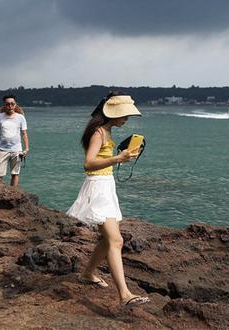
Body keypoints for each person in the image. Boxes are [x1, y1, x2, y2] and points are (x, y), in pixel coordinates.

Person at [67, 92, 150, 309]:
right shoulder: (98, 132)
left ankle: (87, 273)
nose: (126, 119)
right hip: (97, 187)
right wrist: (118, 158)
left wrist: (122, 156)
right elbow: (88, 163)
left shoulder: (107, 131)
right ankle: (124, 295)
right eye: (123, 115)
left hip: (106, 186)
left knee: (107, 240)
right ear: (111, 114)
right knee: (116, 241)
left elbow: (102, 161)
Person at [0, 95, 29, 187]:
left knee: (15, 173)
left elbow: (24, 134)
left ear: (15, 105)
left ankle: (13, 194)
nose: (10, 106)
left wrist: (26, 148)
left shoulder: (20, 117)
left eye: (12, 104)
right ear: (4, 105)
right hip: (2, 150)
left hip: (16, 150)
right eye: (8, 104)